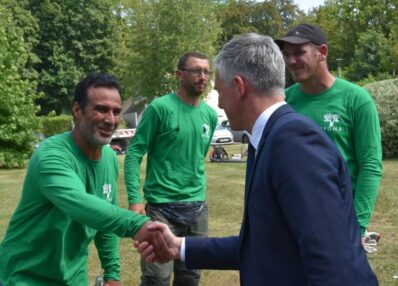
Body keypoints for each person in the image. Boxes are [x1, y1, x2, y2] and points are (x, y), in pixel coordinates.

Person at [135, 33, 379, 285]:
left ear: (239, 87)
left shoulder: (294, 142)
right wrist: (179, 247)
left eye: (220, 91)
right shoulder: (268, 138)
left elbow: (333, 265)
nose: (219, 103)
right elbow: (265, 246)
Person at [0, 73, 169, 286]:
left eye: (116, 112)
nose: (111, 120)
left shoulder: (108, 157)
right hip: (25, 276)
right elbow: (82, 206)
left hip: (73, 277)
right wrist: (138, 225)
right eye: (101, 109)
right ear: (77, 110)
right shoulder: (51, 156)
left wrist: (112, 274)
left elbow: (104, 222)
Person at [275, 23, 383, 249]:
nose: (291, 61)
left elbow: (370, 165)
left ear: (322, 52)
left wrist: (358, 225)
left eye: (299, 52)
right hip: (293, 221)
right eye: (287, 55)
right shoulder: (284, 101)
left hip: (339, 220)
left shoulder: (356, 99)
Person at [124, 52, 218, 286]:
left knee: (191, 277)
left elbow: (199, 155)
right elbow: (134, 152)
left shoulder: (209, 115)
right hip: (161, 209)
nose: (202, 76)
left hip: (197, 210)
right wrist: (135, 199)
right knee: (157, 277)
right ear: (179, 74)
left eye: (206, 71)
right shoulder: (160, 108)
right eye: (196, 70)